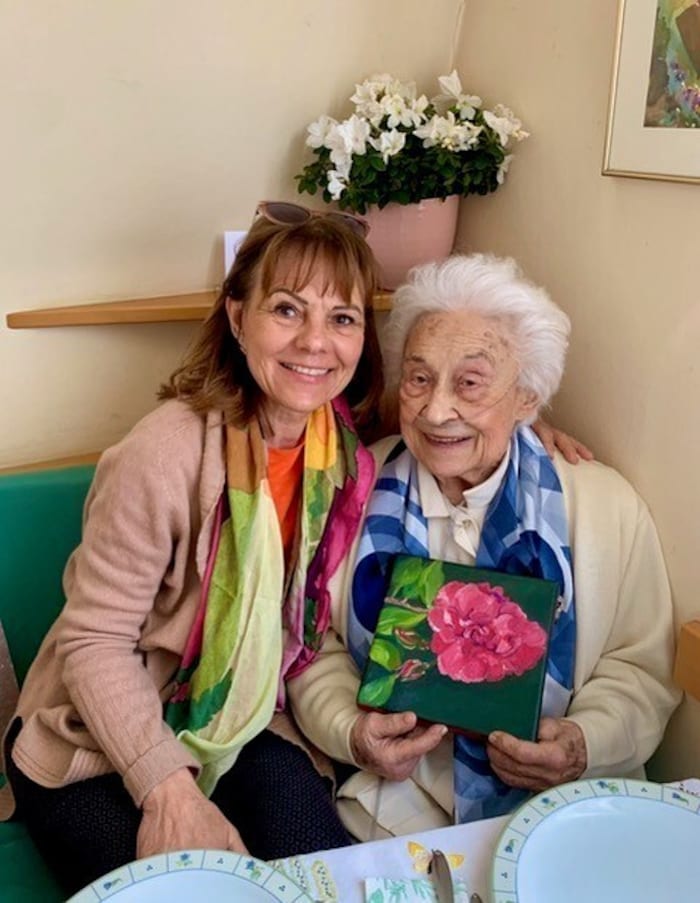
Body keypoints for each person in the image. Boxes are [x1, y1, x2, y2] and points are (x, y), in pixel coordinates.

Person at [0, 201, 386, 895]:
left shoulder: (347, 465)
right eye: (288, 310)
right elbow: (94, 641)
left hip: (242, 718)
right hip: (94, 731)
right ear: (238, 318)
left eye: (343, 317)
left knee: (325, 876)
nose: (315, 342)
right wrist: (167, 790)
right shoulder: (164, 451)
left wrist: (539, 433)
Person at [287, 253, 681, 839]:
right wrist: (351, 729)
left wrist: (581, 743)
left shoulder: (603, 507)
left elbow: (640, 667)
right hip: (391, 802)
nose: (437, 409)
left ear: (527, 398)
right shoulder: (350, 486)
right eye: (419, 378)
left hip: (562, 806)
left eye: (470, 383)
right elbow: (311, 641)